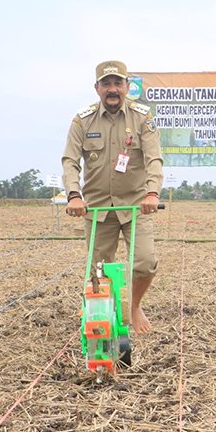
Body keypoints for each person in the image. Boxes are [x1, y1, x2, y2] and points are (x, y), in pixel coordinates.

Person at [62, 60, 163, 335]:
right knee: (98, 271)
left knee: (144, 263)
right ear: (97, 88)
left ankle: (134, 306)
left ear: (127, 87)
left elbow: (154, 159)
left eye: (118, 83)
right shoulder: (82, 120)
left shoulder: (143, 118)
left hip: (135, 206)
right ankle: (100, 313)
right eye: (106, 83)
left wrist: (152, 193)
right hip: (97, 210)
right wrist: (74, 195)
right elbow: (70, 161)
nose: (112, 89)